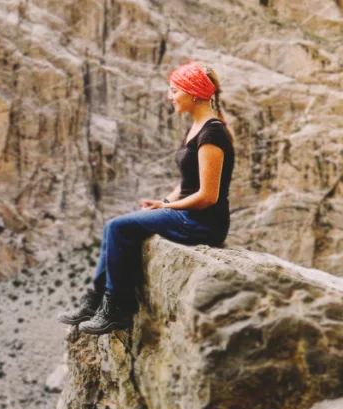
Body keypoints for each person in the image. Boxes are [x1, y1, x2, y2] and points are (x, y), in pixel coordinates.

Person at [57, 60, 235, 335]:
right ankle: (96, 300)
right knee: (114, 226)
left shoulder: (212, 134)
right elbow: (188, 182)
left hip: (203, 222)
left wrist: (170, 207)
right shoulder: (198, 128)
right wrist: (163, 202)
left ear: (194, 93)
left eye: (175, 90)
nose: (169, 96)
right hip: (187, 214)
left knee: (118, 227)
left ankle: (117, 308)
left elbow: (207, 196)